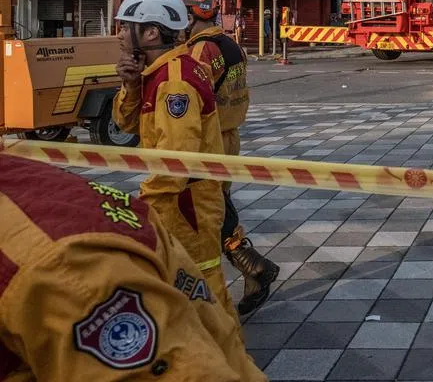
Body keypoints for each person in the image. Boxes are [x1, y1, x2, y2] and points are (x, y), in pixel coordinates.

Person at [0, 154, 266, 380]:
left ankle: (254, 273)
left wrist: (152, 196)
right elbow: (128, 121)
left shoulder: (55, 264)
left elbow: (176, 151)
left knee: (207, 269)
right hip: (188, 192)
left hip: (184, 195)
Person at [111, 0, 239, 325]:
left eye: (127, 27)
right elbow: (125, 124)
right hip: (178, 198)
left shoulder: (175, 82)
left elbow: (176, 160)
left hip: (185, 202)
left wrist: (144, 203)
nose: (121, 35)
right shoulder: (159, 74)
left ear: (151, 32)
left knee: (202, 285)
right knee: (183, 282)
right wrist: (131, 84)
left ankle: (225, 359)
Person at [169, 0, 279, 317]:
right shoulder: (231, 45)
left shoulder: (202, 51)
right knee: (215, 205)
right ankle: (253, 266)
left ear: (190, 16)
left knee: (208, 210)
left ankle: (253, 267)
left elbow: (191, 96)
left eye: (177, 16)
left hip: (208, 140)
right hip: (227, 138)